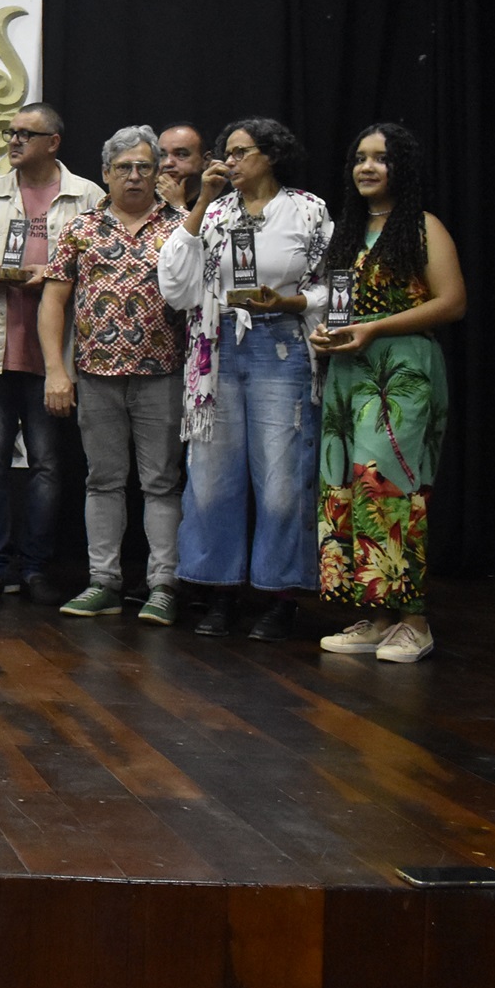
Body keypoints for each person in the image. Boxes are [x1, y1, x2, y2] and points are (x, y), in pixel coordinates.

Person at [157, 116, 331, 640]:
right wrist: (199, 206)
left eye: (239, 152)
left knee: (281, 480)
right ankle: (219, 591)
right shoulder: (213, 212)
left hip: (282, 346)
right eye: (225, 153)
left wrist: (291, 303)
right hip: (217, 350)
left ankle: (281, 596)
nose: (228, 162)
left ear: (271, 155)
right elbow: (175, 288)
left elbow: (331, 286)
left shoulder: (307, 210)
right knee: (213, 479)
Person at [312, 124, 466, 665]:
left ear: (403, 167)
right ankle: (377, 617)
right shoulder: (348, 231)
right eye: (360, 158)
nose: (368, 167)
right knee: (345, 487)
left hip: (401, 373)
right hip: (348, 372)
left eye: (381, 158)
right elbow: (342, 307)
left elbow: (452, 302)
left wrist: (376, 328)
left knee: (389, 487)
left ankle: (414, 623)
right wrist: (328, 333)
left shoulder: (423, 227)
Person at [0, 101, 102, 607]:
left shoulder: (88, 196)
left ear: (52, 143)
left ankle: (36, 568)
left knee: (48, 465)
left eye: (25, 134)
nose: (13, 141)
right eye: (11, 133)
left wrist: (55, 278)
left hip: (55, 356)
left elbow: (107, 272)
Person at [39, 126, 188, 626]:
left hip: (162, 373)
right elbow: (53, 300)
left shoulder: (182, 227)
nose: (135, 176)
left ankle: (163, 586)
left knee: (161, 482)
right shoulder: (81, 228)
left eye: (145, 166)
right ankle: (103, 582)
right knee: (102, 481)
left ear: (158, 172)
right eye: (124, 167)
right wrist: (56, 371)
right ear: (106, 174)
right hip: (96, 375)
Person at [158, 123, 209, 211]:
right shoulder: (146, 200)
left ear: (205, 160)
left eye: (181, 154)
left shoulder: (221, 204)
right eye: (162, 155)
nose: (167, 163)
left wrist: (178, 206)